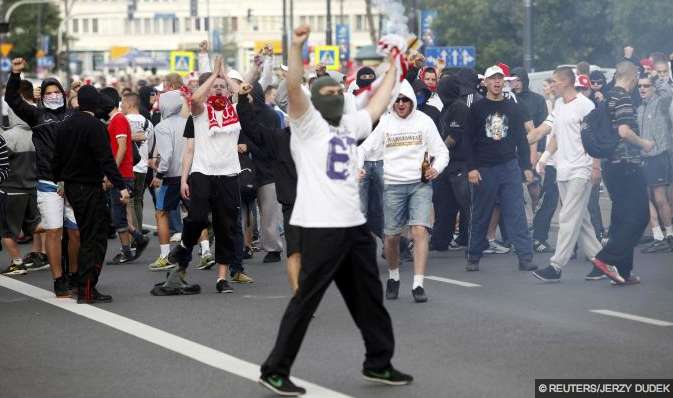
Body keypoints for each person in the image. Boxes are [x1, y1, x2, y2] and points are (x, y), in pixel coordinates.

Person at [259, 25, 412, 396]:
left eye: (336, 90)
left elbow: (377, 103)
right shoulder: (306, 124)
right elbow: (293, 86)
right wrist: (294, 46)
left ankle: (379, 362)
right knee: (307, 298)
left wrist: (395, 64)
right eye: (325, 91)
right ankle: (274, 370)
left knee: (370, 298)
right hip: (320, 226)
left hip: (353, 225)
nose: (333, 94)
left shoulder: (349, 123)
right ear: (315, 100)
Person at [152, 56, 242, 296]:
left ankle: (222, 278)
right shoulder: (200, 112)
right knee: (197, 217)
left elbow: (240, 90)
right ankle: (182, 249)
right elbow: (194, 102)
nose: (219, 88)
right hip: (203, 172)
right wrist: (213, 75)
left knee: (226, 227)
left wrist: (223, 74)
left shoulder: (234, 109)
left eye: (223, 86)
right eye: (215, 86)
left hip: (229, 174)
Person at [359, 79, 449, 303]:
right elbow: (364, 148)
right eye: (397, 100)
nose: (401, 104)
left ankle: (418, 284)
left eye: (405, 100)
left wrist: (436, 169)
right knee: (391, 237)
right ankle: (394, 276)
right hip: (392, 185)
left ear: (412, 101)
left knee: (419, 231)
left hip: (420, 184)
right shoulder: (386, 123)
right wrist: (357, 167)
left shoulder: (425, 122)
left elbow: (442, 152)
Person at [5, 58, 80, 297]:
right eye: (49, 93)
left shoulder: (73, 116)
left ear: (63, 93)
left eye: (57, 91)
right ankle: (59, 279)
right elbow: (12, 100)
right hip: (48, 183)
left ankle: (75, 274)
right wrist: (15, 74)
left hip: (73, 183)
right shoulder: (37, 116)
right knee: (53, 232)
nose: (53, 95)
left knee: (76, 233)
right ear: (41, 96)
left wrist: (80, 94)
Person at [52, 85, 130, 303]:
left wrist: (60, 180)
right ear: (95, 104)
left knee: (86, 234)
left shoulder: (65, 125)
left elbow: (56, 159)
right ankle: (87, 289)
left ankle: (82, 285)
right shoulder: (95, 126)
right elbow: (106, 159)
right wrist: (121, 186)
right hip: (89, 187)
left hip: (71, 187)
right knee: (94, 238)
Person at [527, 67, 605, 282]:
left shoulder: (586, 105)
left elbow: (596, 138)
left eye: (554, 81)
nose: (551, 85)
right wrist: (542, 158)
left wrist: (596, 167)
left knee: (568, 216)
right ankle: (602, 263)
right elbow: (551, 133)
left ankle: (556, 266)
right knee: (582, 220)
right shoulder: (559, 105)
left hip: (582, 168)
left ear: (567, 82)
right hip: (563, 169)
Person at [464, 65, 537, 273]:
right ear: (485, 82)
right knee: (481, 214)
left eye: (500, 79)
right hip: (484, 168)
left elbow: (521, 140)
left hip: (509, 166)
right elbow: (467, 140)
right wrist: (472, 168)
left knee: (516, 213)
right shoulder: (476, 109)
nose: (497, 82)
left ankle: (525, 257)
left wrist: (526, 166)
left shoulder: (513, 107)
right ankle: (473, 256)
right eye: (493, 79)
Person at [592, 62, 655, 286]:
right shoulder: (624, 98)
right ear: (634, 76)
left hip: (611, 166)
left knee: (620, 219)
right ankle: (604, 259)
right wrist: (644, 143)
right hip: (627, 165)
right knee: (640, 217)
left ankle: (623, 271)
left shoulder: (607, 98)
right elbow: (624, 131)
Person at [0, 81, 48, 275]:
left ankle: (17, 262)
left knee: (6, 229)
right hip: (32, 186)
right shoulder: (38, 135)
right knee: (34, 224)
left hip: (11, 188)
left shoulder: (8, 137)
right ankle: (60, 230)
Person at [101, 88, 150, 264]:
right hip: (121, 174)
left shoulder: (119, 120)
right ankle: (134, 241)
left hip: (122, 175)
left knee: (117, 215)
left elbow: (122, 148)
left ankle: (128, 248)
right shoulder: (116, 120)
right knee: (118, 214)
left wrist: (111, 173)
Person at [147, 90, 194, 271]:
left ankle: (165, 255)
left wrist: (159, 175)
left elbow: (166, 156)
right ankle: (205, 252)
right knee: (194, 214)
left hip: (171, 177)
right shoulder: (189, 122)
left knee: (161, 213)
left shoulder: (162, 126)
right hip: (189, 175)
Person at [636, 73, 673, 252]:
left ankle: (670, 236)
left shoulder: (661, 103)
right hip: (644, 158)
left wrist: (657, 79)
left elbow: (668, 93)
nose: (642, 89)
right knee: (647, 198)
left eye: (646, 86)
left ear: (653, 88)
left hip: (659, 156)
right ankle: (658, 236)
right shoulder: (639, 108)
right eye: (640, 86)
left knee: (660, 198)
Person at [121, 92, 153, 245]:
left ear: (129, 104)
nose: (121, 106)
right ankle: (138, 232)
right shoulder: (147, 122)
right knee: (138, 200)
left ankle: (135, 235)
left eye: (123, 103)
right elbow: (152, 144)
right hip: (142, 166)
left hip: (127, 165)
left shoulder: (123, 121)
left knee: (128, 202)